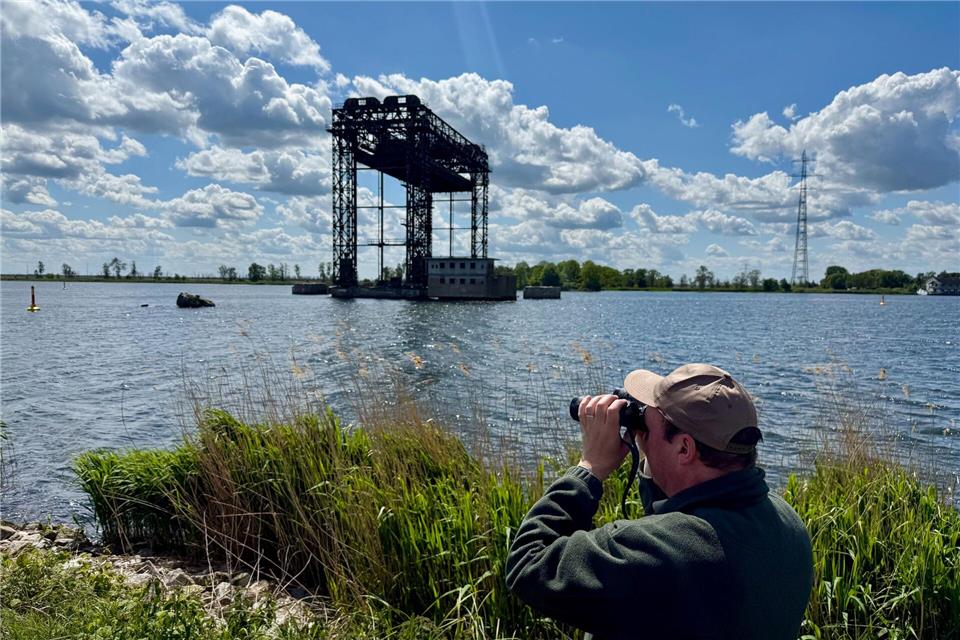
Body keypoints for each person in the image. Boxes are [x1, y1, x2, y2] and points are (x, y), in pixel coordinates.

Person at [505, 363, 813, 640]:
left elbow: (529, 563)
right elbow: (679, 514)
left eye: (644, 425)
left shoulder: (666, 552)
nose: (639, 433)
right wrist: (653, 455)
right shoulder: (787, 523)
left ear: (684, 449)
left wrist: (589, 468)